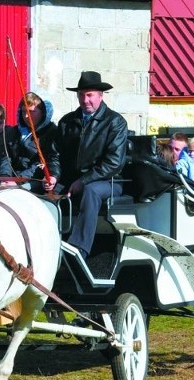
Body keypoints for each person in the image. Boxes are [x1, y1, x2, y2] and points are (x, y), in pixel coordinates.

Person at [57, 71, 128, 259]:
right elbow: (55, 155)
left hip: (109, 181)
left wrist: (83, 180)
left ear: (100, 95)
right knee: (44, 193)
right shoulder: (67, 122)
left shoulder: (116, 122)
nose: (85, 100)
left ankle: (78, 249)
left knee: (91, 191)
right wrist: (53, 176)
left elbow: (114, 162)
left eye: (89, 95)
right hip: (73, 180)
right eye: (81, 95)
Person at [8, 91, 60, 193]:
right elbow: (6, 157)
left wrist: (19, 180)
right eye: (23, 112)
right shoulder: (16, 131)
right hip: (12, 179)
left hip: (35, 180)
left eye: (31, 111)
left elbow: (41, 163)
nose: (26, 116)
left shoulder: (51, 133)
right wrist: (4, 176)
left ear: (43, 112)